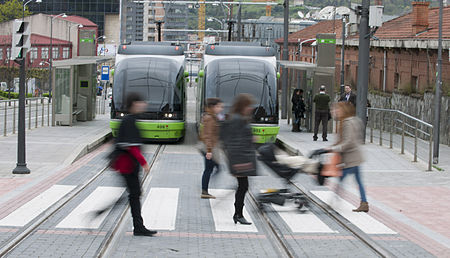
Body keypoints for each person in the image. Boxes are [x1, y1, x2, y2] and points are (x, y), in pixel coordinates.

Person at [111, 93, 157, 236]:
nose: (144, 104)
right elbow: (132, 146)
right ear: (134, 104)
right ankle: (138, 227)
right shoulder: (129, 121)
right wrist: (144, 163)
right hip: (128, 166)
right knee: (134, 194)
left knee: (134, 194)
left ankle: (138, 226)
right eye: (141, 102)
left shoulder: (130, 119)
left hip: (128, 165)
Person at [223, 94, 256, 225]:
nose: (251, 108)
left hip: (241, 159)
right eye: (249, 106)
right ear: (243, 106)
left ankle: (238, 214)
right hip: (239, 161)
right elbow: (232, 141)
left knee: (243, 186)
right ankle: (238, 214)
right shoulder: (237, 120)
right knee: (243, 186)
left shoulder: (239, 119)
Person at [331, 102, 369, 212]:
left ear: (343, 110)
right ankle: (364, 203)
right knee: (358, 181)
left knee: (341, 179)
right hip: (356, 157)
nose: (334, 112)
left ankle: (333, 201)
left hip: (351, 158)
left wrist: (335, 149)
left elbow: (348, 142)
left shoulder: (347, 123)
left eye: (337, 110)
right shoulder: (354, 120)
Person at [199, 98, 224, 199]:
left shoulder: (213, 117)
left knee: (214, 168)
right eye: (219, 106)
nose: (221, 109)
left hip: (211, 148)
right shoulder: (209, 118)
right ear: (213, 107)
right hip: (209, 149)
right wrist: (209, 151)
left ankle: (204, 189)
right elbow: (208, 135)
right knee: (209, 169)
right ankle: (204, 191)